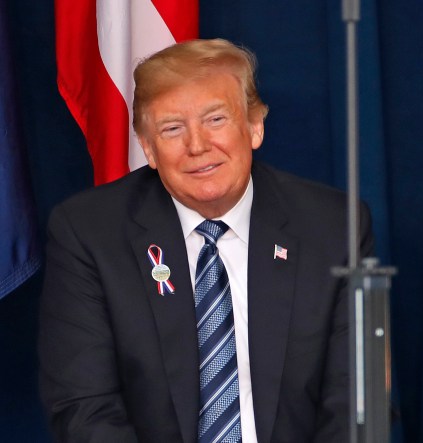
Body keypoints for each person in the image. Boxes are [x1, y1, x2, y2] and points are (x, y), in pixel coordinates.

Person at [38, 38, 373, 443]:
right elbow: (84, 407)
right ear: (148, 147)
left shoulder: (332, 226)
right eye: (172, 128)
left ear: (254, 126)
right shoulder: (89, 233)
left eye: (215, 120)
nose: (197, 146)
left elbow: (357, 400)